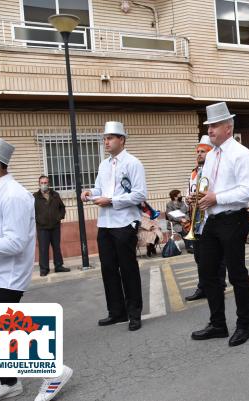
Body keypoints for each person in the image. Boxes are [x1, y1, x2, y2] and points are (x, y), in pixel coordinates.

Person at [0, 133, 73, 401]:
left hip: (8, 275)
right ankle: (9, 382)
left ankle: (54, 372)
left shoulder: (14, 195)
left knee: (3, 328)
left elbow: (15, 243)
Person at [190, 102, 249, 347]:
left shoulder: (242, 154)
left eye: (215, 125)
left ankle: (243, 325)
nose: (210, 129)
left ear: (228, 128)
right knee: (208, 272)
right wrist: (198, 197)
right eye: (209, 125)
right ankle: (218, 323)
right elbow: (207, 186)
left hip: (233, 219)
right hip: (212, 220)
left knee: (237, 274)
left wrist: (216, 198)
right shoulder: (210, 156)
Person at [81, 121, 147, 332]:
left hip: (124, 222)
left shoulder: (133, 163)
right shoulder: (103, 165)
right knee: (108, 268)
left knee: (128, 268)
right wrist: (90, 193)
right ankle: (116, 311)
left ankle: (134, 312)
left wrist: (112, 201)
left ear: (122, 140)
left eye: (110, 138)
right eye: (104, 138)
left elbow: (139, 194)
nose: (106, 142)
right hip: (106, 224)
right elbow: (100, 188)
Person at [184, 135, 227, 302]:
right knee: (199, 257)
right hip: (197, 222)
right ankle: (203, 287)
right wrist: (188, 198)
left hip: (211, 219)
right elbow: (190, 191)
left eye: (203, 151)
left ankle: (219, 286)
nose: (199, 154)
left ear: (210, 153)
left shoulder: (215, 171)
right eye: (198, 151)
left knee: (217, 257)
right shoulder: (194, 173)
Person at [34, 174, 70, 276]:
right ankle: (44, 269)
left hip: (55, 227)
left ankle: (58, 266)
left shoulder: (55, 195)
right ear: (39, 184)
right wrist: (38, 220)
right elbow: (31, 212)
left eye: (45, 183)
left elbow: (62, 208)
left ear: (48, 183)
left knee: (56, 247)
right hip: (42, 228)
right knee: (43, 249)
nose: (44, 185)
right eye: (42, 183)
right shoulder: (35, 197)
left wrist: (59, 217)